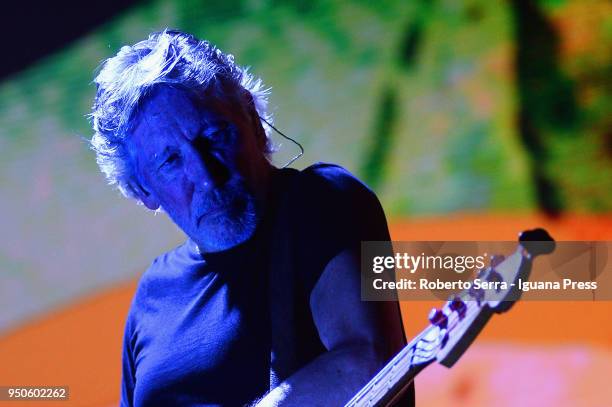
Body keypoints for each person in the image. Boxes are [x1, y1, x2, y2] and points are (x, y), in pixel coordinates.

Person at [90, 29, 414, 406]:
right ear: (141, 190)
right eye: (171, 161)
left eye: (214, 136)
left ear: (252, 119)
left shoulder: (322, 202)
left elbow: (370, 361)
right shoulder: (153, 294)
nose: (207, 175)